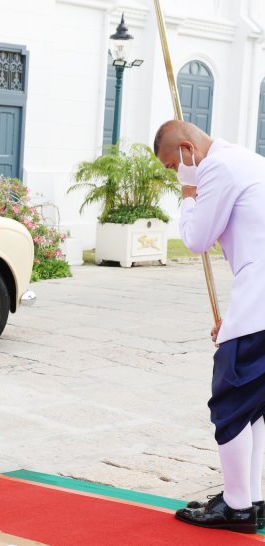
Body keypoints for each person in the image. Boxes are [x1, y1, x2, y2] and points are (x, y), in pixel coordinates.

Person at [154, 120, 265, 534]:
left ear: (186, 149)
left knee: (231, 403)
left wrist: (187, 194)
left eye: (172, 165)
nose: (174, 172)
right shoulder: (248, 158)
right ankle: (251, 498)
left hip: (259, 304)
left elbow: (197, 238)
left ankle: (236, 508)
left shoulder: (217, 167)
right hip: (255, 303)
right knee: (255, 407)